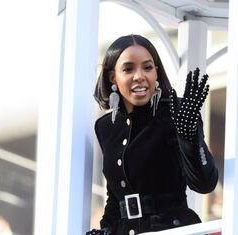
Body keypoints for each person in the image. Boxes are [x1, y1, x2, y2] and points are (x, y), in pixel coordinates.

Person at [87, 34, 218, 235]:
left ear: (156, 72)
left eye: (147, 67)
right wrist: (107, 229)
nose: (139, 76)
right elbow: (116, 196)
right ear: (113, 76)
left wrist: (189, 136)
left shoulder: (177, 112)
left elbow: (204, 184)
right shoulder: (106, 126)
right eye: (128, 69)